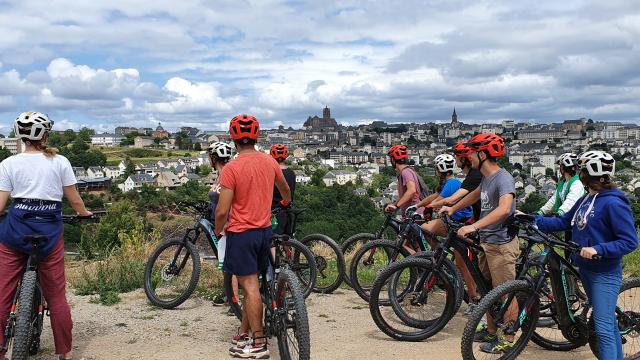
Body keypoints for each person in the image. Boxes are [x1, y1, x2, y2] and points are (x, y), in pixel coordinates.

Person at [0, 112, 92, 360]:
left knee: (3, 293)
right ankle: (64, 351)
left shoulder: (8, 164)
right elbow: (74, 200)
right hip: (49, 232)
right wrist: (84, 213)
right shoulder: (60, 161)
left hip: (15, 231)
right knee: (57, 296)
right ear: (44, 135)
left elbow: (0, 206)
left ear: (21, 136)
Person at [534, 151, 637, 360]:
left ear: (589, 174)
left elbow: (630, 241)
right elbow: (564, 222)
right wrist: (533, 220)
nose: (579, 174)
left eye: (582, 170)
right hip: (587, 271)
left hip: (604, 274)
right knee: (608, 325)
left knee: (603, 329)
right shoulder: (587, 198)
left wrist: (598, 249)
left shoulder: (614, 203)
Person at [215, 114, 292, 359]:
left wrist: (218, 230)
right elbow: (284, 189)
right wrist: (286, 200)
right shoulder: (269, 162)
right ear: (257, 137)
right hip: (264, 231)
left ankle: (259, 341)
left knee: (249, 288)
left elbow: (222, 210)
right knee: (255, 287)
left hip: (241, 233)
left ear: (233, 138)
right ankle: (245, 332)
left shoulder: (231, 168)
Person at [440, 133, 519, 354]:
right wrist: (453, 208)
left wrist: (474, 226)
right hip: (488, 243)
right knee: (487, 290)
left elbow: (504, 209)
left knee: (506, 292)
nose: (469, 156)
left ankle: (509, 338)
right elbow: (475, 195)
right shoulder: (486, 179)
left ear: (482, 154)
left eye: (473, 152)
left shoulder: (503, 178)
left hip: (501, 244)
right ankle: (492, 330)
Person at [409, 143, 482, 315]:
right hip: (457, 222)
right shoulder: (452, 182)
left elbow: (443, 200)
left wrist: (426, 208)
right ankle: (440, 256)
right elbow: (435, 197)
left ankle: (474, 299)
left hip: (461, 223)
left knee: (463, 264)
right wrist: (421, 205)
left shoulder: (453, 183)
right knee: (461, 262)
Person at [206, 142, 236, 307]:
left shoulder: (225, 175)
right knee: (227, 264)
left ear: (214, 158)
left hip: (227, 224)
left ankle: (234, 302)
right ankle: (229, 296)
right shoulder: (221, 175)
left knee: (230, 264)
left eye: (209, 156)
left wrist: (219, 228)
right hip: (222, 222)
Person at [536, 153, 585, 248]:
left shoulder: (577, 183)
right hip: (567, 221)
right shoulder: (563, 183)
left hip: (576, 224)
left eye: (560, 166)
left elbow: (571, 201)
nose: (559, 168)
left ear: (564, 168)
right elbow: (554, 199)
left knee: (572, 252)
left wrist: (559, 213)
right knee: (567, 248)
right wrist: (540, 212)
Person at [384, 144, 423, 215]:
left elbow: (412, 191)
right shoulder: (408, 171)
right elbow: (405, 196)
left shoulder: (405, 172)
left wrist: (396, 206)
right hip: (411, 214)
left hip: (414, 214)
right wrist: (395, 204)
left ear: (393, 160)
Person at [270, 144, 296, 236]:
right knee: (287, 241)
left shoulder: (272, 173)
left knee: (271, 241)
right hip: (288, 211)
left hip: (274, 213)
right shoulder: (291, 173)